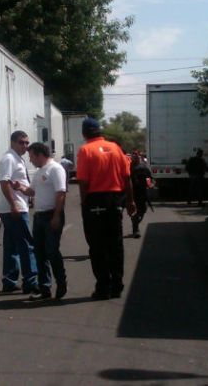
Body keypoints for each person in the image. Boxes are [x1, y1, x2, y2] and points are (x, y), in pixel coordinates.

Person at [76, 118, 136, 300]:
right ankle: (117, 285)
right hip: (115, 200)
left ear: (84, 133)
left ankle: (103, 287)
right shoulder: (116, 148)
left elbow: (84, 183)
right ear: (100, 131)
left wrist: (84, 203)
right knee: (115, 245)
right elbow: (127, 178)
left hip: (95, 200)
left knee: (97, 246)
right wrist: (130, 201)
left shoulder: (85, 150)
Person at [14, 142, 68, 300]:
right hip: (39, 216)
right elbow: (32, 191)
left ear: (40, 155)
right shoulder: (39, 172)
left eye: (31, 156)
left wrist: (57, 216)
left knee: (52, 251)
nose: (30, 160)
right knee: (39, 253)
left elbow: (61, 193)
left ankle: (62, 284)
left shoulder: (55, 169)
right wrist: (20, 187)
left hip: (52, 215)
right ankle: (44, 288)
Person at [0, 130, 38, 293]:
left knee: (12, 245)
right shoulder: (9, 158)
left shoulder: (17, 158)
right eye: (21, 142)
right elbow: (4, 182)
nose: (25, 146)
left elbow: (16, 182)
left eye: (27, 143)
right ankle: (31, 280)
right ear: (13, 142)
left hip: (16, 206)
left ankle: (9, 280)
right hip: (15, 209)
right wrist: (14, 205)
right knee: (27, 244)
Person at [130, 151, 154, 239]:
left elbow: (148, 178)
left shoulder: (143, 168)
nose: (135, 157)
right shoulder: (128, 167)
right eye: (134, 155)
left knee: (143, 210)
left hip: (143, 193)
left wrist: (150, 184)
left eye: (137, 155)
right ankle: (136, 229)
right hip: (133, 193)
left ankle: (135, 223)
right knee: (135, 211)